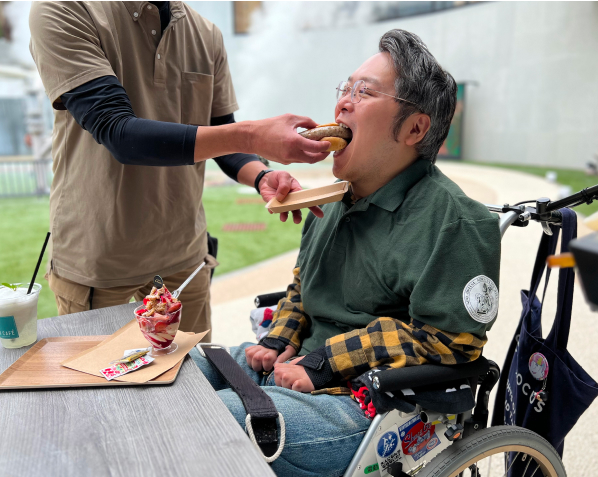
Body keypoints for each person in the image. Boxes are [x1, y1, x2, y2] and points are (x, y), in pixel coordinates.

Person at [190, 29, 501, 476]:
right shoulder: (332, 201)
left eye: (365, 92)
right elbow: (303, 285)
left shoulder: (455, 223)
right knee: (179, 377)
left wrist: (325, 361)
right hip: (298, 370)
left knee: (209, 421)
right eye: (346, 89)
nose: (343, 104)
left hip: (372, 406)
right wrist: (282, 335)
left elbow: (452, 343)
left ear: (415, 127)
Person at [28, 1, 330, 341]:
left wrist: (261, 175)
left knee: (194, 379)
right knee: (101, 389)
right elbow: (117, 132)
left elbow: (219, 131)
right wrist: (253, 134)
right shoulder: (65, 9)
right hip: (99, 256)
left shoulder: (205, 33)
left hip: (183, 254)